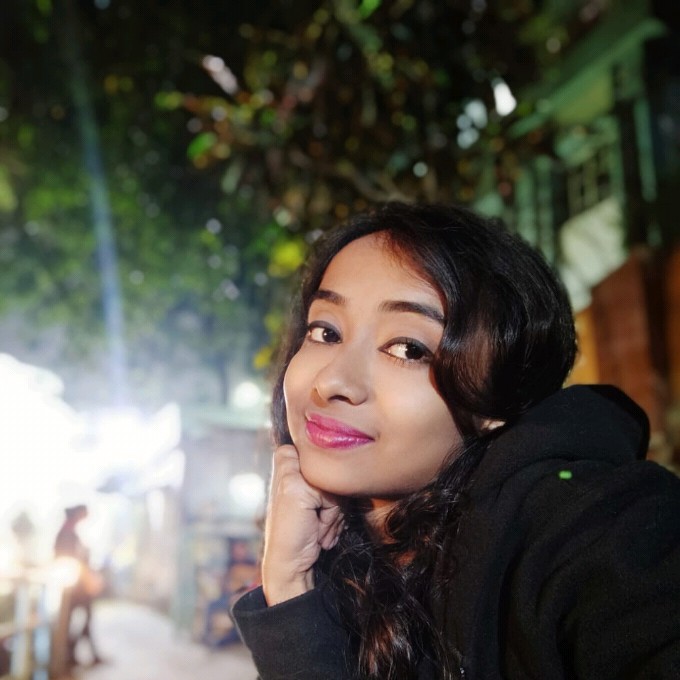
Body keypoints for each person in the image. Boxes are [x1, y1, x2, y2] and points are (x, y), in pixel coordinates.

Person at [232, 202, 680, 679]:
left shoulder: (596, 528)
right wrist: (291, 587)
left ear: (497, 399)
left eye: (408, 348)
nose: (332, 382)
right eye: (326, 331)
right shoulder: (346, 560)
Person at [54, 504, 103, 667]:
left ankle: (75, 656)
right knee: (73, 621)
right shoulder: (67, 533)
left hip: (76, 586)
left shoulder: (70, 532)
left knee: (82, 619)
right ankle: (70, 657)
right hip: (75, 587)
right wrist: (88, 579)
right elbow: (73, 561)